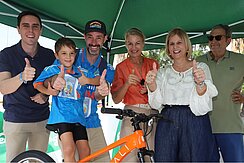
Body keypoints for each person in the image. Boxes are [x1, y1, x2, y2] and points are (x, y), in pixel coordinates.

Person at [146, 27, 218, 162]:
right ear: (168, 48)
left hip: (195, 119)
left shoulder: (201, 67)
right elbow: (156, 104)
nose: (175, 47)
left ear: (186, 46)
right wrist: (151, 85)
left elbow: (205, 100)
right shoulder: (163, 72)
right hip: (167, 119)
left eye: (179, 43)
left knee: (196, 158)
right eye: (171, 43)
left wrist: (200, 83)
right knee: (165, 158)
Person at [52, 20, 114, 162]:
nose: (94, 42)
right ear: (84, 37)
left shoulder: (107, 67)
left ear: (105, 39)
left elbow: (97, 95)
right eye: (90, 37)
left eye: (99, 37)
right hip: (70, 123)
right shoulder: (71, 55)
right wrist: (53, 82)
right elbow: (53, 76)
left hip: (92, 122)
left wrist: (102, 91)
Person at [0, 11, 55, 162]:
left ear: (41, 30)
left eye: (35, 26)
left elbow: (54, 84)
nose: (31, 30)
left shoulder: (49, 55)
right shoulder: (6, 54)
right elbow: (3, 87)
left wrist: (45, 94)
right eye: (26, 26)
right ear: (18, 29)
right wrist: (21, 77)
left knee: (38, 161)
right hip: (15, 120)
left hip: (41, 119)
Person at [33, 37, 91, 162]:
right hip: (62, 116)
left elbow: (87, 86)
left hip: (79, 116)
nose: (68, 57)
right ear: (57, 55)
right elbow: (37, 83)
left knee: (85, 150)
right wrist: (48, 91)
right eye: (64, 53)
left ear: (75, 55)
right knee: (69, 148)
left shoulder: (79, 72)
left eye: (71, 53)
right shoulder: (52, 69)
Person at [111, 27, 159, 162]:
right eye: (130, 43)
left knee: (149, 157)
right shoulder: (121, 67)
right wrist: (126, 84)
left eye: (137, 43)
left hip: (151, 114)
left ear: (143, 44)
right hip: (131, 115)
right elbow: (115, 99)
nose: (134, 47)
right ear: (125, 44)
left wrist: (150, 89)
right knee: (130, 158)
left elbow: (162, 92)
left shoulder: (153, 64)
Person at [197, 24, 244, 162]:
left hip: (231, 127)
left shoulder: (241, 61)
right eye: (211, 38)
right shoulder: (198, 62)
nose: (213, 41)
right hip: (204, 127)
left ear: (228, 40)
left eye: (218, 37)